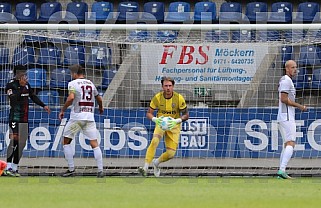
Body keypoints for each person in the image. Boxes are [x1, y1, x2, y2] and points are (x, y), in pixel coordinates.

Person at [3, 65, 50, 177]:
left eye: (24, 73)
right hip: (15, 117)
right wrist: (21, 87)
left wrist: (43, 105)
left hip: (24, 118)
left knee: (22, 143)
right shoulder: (11, 85)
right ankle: (8, 167)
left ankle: (14, 168)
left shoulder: (27, 85)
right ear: (17, 74)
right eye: (22, 73)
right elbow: (13, 100)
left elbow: (32, 96)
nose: (24, 75)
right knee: (14, 140)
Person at [59, 64, 104, 178]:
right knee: (94, 143)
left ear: (74, 73)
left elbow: (71, 98)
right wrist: (101, 107)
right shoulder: (90, 83)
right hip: (89, 117)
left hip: (77, 119)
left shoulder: (72, 84)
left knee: (66, 141)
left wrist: (63, 109)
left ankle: (71, 169)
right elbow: (99, 97)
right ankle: (100, 170)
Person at [138, 77, 189, 177]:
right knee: (154, 141)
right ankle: (145, 167)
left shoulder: (179, 98)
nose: (168, 88)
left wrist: (176, 121)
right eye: (166, 86)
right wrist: (155, 119)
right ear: (162, 87)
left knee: (171, 154)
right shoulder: (157, 97)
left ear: (173, 87)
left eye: (170, 86)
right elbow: (149, 113)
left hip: (173, 125)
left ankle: (156, 163)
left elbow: (186, 115)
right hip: (161, 123)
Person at [277, 60, 307, 179]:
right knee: (291, 143)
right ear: (287, 69)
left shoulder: (286, 80)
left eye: (296, 67)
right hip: (287, 116)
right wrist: (300, 106)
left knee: (286, 144)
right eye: (293, 67)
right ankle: (282, 170)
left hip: (284, 115)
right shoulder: (286, 80)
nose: (295, 69)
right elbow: (283, 99)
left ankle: (281, 172)